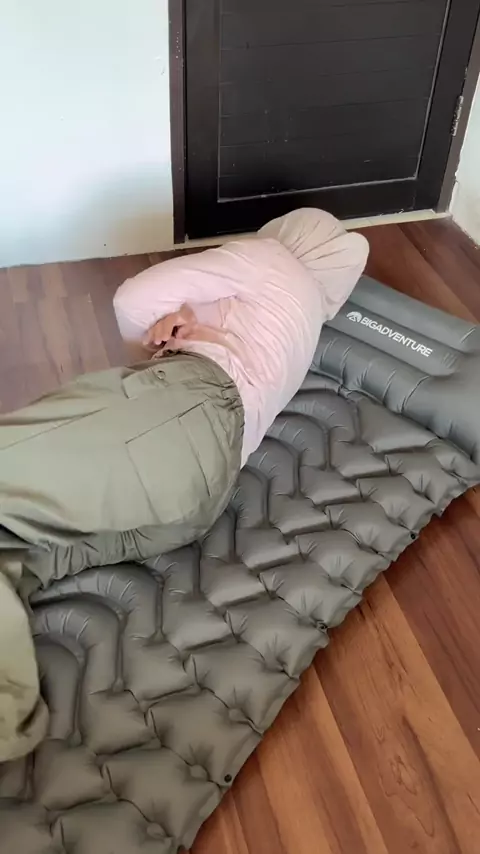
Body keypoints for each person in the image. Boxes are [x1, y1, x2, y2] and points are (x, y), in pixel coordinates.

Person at [0, 207, 367, 761]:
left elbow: (132, 299)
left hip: (182, 417)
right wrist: (184, 333)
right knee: (19, 549)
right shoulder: (305, 322)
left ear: (291, 234)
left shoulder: (273, 260)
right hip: (199, 497)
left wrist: (148, 348)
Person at [114, 208, 369, 467]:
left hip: (191, 398)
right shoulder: (311, 322)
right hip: (226, 458)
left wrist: (146, 355)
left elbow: (130, 302)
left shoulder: (270, 259)